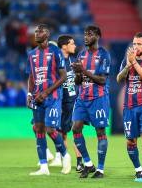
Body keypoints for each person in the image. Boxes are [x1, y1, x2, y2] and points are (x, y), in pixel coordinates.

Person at [26, 24, 71, 176]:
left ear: (47, 34)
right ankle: (44, 167)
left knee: (51, 129)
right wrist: (29, 94)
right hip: (38, 97)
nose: (36, 33)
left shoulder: (55, 52)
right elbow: (31, 77)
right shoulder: (31, 54)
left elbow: (63, 77)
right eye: (36, 31)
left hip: (53, 97)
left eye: (40, 31)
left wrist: (46, 92)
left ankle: (65, 155)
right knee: (39, 130)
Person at [117, 32, 142, 183]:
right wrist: (128, 65)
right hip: (129, 107)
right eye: (134, 44)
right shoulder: (127, 61)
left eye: (139, 44)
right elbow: (118, 78)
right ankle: (138, 169)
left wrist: (134, 63)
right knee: (130, 142)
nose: (136, 46)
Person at [71, 25, 111, 179]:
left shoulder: (103, 55)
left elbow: (102, 80)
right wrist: (78, 73)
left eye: (89, 34)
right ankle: (88, 163)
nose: (86, 36)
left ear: (98, 36)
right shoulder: (81, 55)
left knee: (100, 131)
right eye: (85, 34)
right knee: (76, 129)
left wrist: (84, 71)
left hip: (98, 98)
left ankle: (100, 169)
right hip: (82, 98)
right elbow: (78, 81)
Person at [48, 35, 84, 172]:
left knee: (76, 130)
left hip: (73, 101)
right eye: (72, 44)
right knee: (62, 132)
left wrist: (80, 75)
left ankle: (80, 161)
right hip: (59, 102)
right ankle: (62, 157)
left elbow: (78, 82)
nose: (75, 46)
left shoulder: (74, 62)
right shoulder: (55, 63)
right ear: (64, 46)